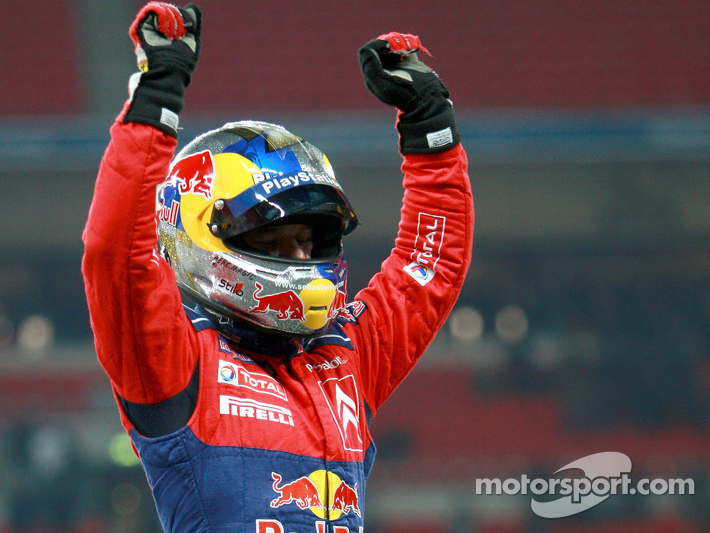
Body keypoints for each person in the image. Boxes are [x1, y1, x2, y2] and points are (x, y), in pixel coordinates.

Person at [82, 2, 474, 531]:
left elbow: (426, 271)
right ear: (202, 237)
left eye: (309, 240)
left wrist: (433, 134)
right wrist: (156, 101)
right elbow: (116, 255)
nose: (301, 260)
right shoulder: (172, 364)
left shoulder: (343, 357)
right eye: (274, 239)